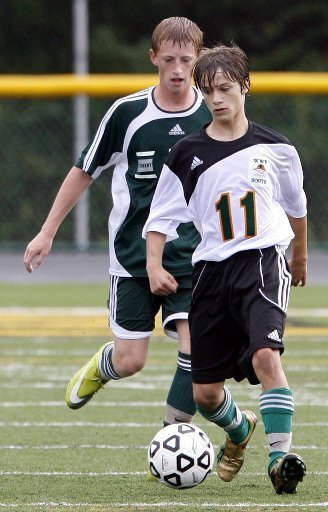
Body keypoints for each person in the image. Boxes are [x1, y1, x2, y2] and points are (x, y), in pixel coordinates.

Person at [23, 18, 211, 431]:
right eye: (168, 60)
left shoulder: (212, 112)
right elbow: (84, 170)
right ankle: (104, 366)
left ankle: (172, 438)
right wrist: (47, 231)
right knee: (131, 360)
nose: (177, 69)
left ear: (198, 59)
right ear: (153, 59)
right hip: (131, 256)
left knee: (197, 351)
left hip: (193, 257)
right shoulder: (128, 113)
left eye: (186, 60)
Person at [143, 43, 307, 494]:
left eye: (226, 89)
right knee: (206, 394)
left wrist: (300, 256)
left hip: (262, 260)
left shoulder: (276, 147)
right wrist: (154, 264)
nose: (217, 99)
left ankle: (281, 459)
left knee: (265, 355)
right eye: (209, 91)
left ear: (245, 87)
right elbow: (159, 220)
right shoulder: (186, 153)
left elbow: (297, 207)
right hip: (211, 272)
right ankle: (238, 430)